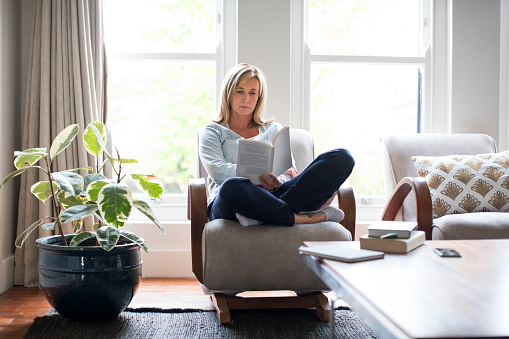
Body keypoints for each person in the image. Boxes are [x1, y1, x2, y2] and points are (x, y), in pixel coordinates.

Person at [199, 63, 354, 227]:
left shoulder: (274, 129)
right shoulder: (212, 131)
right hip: (234, 200)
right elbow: (217, 171)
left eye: (253, 93)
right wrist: (253, 173)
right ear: (228, 93)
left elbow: (289, 171)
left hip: (275, 195)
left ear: (259, 97)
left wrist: (276, 182)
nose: (246, 99)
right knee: (232, 186)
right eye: (240, 91)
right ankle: (300, 217)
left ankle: (269, 213)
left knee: (342, 158)